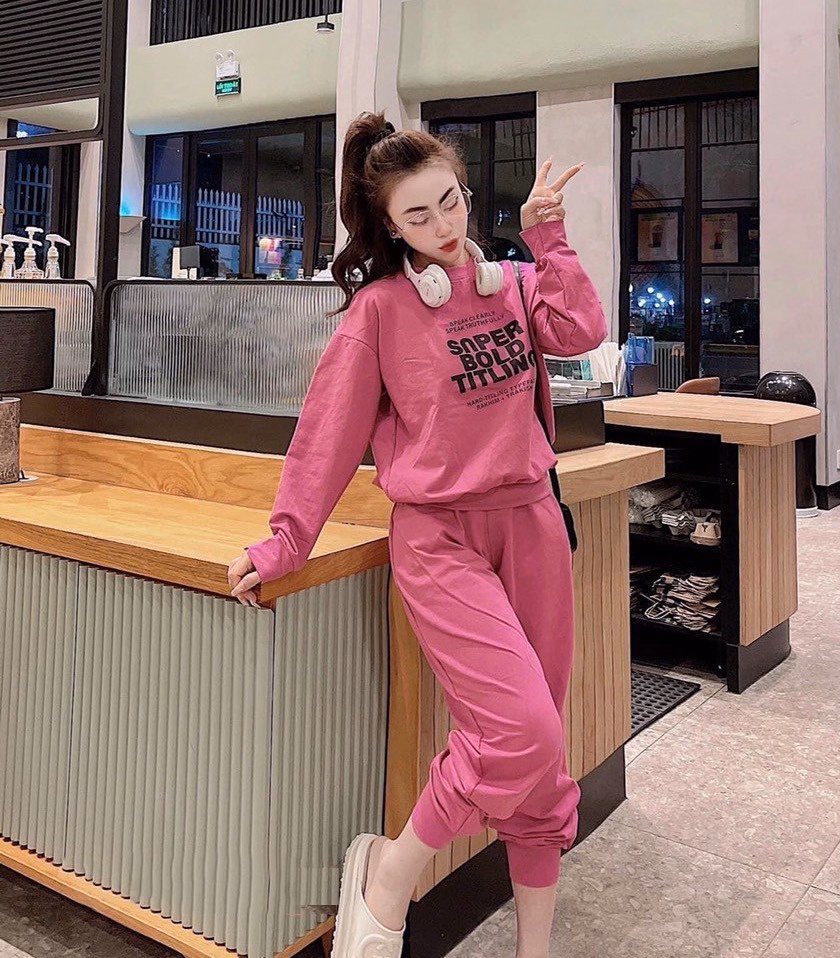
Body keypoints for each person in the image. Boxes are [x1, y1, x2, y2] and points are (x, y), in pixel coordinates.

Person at [226, 109, 606, 958]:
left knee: (541, 756)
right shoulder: (380, 312)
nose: (443, 226)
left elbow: (583, 331)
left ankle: (534, 950)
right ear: (390, 227)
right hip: (441, 541)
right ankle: (391, 874)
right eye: (418, 215)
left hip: (533, 525)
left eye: (451, 202)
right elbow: (326, 438)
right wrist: (285, 542)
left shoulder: (512, 285)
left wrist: (548, 238)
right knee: (521, 733)